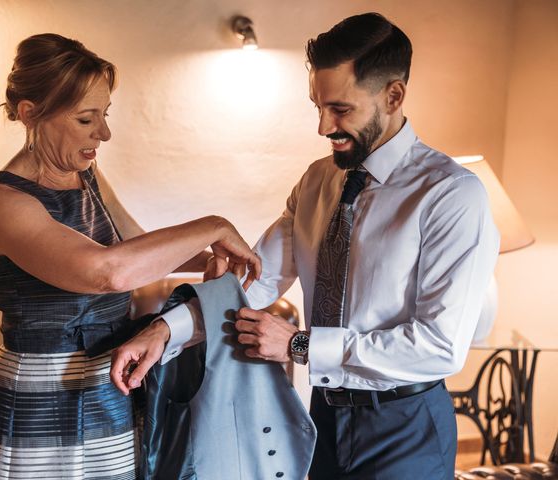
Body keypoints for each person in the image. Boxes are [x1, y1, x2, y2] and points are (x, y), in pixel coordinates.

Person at [111, 12, 499, 480]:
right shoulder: (317, 180)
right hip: (323, 418)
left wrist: (300, 344)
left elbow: (438, 346)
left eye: (340, 109)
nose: (322, 127)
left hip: (406, 426)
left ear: (393, 96)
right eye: (317, 107)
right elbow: (257, 280)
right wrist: (164, 331)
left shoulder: (452, 195)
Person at [0, 33, 260, 480]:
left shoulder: (87, 176)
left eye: (105, 115)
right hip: (42, 397)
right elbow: (107, 272)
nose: (104, 133)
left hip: (107, 384)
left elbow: (131, 245)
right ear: (30, 114)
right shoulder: (1, 202)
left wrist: (214, 256)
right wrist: (213, 225)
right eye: (86, 119)